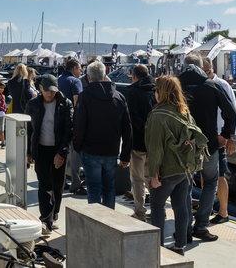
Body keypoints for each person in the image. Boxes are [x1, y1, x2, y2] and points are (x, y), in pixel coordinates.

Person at [178, 54, 236, 242]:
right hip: (208, 144)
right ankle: (201, 226)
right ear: (201, 66)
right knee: (211, 182)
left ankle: (184, 229)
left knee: (184, 186)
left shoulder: (175, 85)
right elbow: (231, 113)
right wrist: (225, 135)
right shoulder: (212, 86)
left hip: (183, 145)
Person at [145, 75, 202, 256]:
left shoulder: (157, 115)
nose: (154, 93)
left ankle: (157, 248)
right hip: (185, 169)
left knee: (157, 207)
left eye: (156, 90)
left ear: (161, 92)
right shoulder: (185, 112)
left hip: (166, 171)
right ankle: (179, 246)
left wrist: (153, 174)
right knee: (181, 206)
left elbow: (155, 148)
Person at [73, 61, 132, 209]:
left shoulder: (84, 97)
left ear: (88, 77)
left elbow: (79, 125)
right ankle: (108, 220)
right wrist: (125, 155)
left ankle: (95, 221)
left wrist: (77, 146)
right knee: (109, 189)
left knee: (94, 189)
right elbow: (127, 128)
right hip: (111, 150)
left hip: (90, 150)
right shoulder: (119, 97)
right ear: (105, 75)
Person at [25, 74, 73, 233]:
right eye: (47, 91)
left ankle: (54, 215)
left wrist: (62, 153)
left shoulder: (65, 104)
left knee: (58, 185)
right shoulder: (33, 104)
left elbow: (69, 131)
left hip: (58, 149)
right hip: (41, 149)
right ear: (40, 89)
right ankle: (45, 219)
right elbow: (29, 130)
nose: (50, 94)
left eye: (53, 91)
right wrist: (28, 152)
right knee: (44, 184)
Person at [202, 58, 236, 224]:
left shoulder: (223, 85)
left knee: (219, 175)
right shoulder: (203, 85)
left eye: (206, 70)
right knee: (206, 174)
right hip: (207, 136)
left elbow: (233, 112)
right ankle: (207, 207)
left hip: (219, 136)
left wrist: (231, 136)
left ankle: (223, 211)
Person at [125, 64, 156, 221]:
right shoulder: (157, 88)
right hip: (155, 141)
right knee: (153, 177)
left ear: (134, 76)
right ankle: (157, 210)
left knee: (137, 179)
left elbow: (131, 117)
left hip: (138, 141)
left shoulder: (131, 91)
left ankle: (140, 212)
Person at [58, 58, 86, 196]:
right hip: (72, 121)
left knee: (62, 152)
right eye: (80, 68)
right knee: (75, 155)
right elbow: (77, 102)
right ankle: (76, 184)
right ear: (74, 68)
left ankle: (61, 182)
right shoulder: (76, 81)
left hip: (59, 120)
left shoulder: (59, 79)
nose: (81, 71)